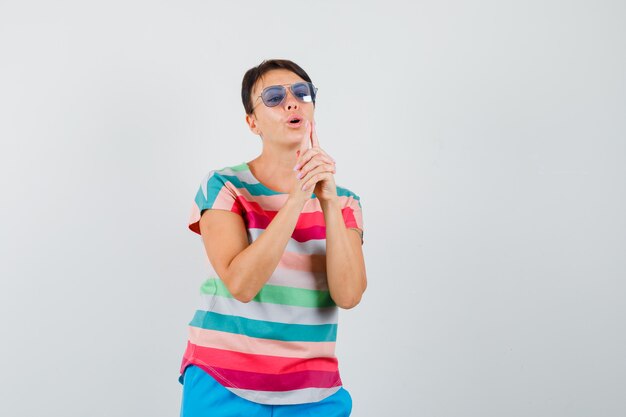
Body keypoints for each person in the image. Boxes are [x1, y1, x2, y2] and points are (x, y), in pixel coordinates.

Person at [178, 59, 367, 417]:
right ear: (252, 122)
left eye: (301, 93)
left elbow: (349, 295)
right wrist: (298, 197)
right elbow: (242, 284)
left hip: (315, 392)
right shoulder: (224, 186)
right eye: (274, 97)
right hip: (222, 382)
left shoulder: (344, 202)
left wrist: (325, 201)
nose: (292, 102)